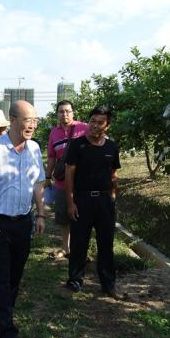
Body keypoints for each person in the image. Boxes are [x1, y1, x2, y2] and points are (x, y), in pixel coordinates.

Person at [0, 100, 46, 338]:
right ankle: (7, 332)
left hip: (22, 222)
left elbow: (38, 183)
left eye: (35, 121)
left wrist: (40, 214)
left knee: (16, 273)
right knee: (0, 276)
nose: (32, 125)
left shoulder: (34, 149)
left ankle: (3, 309)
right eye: (28, 120)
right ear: (12, 120)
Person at [64, 106, 121, 299]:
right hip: (82, 199)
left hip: (105, 201)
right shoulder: (77, 145)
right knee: (79, 242)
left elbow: (114, 174)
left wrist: (112, 197)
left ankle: (108, 284)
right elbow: (69, 175)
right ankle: (75, 281)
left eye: (100, 122)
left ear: (107, 125)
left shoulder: (112, 147)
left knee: (106, 243)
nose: (95, 126)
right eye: (92, 121)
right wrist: (71, 203)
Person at [45, 100, 87, 259]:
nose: (65, 114)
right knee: (64, 217)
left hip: (82, 183)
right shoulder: (53, 133)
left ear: (73, 112)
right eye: (61, 111)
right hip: (62, 182)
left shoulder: (84, 128)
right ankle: (66, 247)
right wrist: (48, 177)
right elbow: (51, 157)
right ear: (57, 114)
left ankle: (80, 248)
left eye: (68, 111)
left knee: (82, 217)